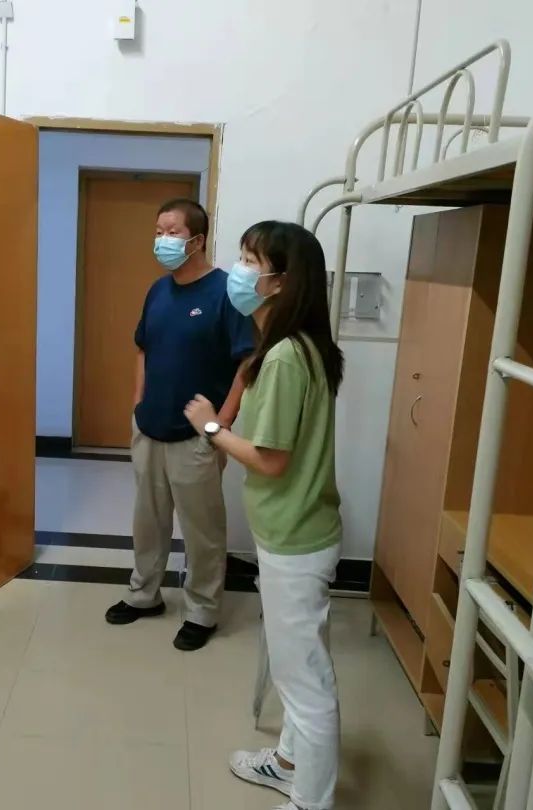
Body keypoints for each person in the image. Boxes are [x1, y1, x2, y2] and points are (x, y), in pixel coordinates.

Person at [184, 221, 344, 810]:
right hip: (294, 531)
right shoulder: (295, 348)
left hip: (296, 539)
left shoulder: (285, 359)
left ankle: (310, 801)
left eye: (251, 260)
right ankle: (287, 763)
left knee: (305, 682)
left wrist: (209, 426)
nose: (240, 270)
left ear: (282, 280)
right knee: (292, 664)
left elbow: (271, 460)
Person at [105, 198, 255, 651]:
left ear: (197, 240)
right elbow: (143, 349)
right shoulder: (158, 291)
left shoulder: (225, 293)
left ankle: (202, 610)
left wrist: (221, 425)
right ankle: (144, 594)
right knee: (147, 522)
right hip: (150, 427)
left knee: (202, 530)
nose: (162, 240)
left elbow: (248, 361)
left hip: (196, 436)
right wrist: (138, 403)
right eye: (158, 231)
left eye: (172, 232)